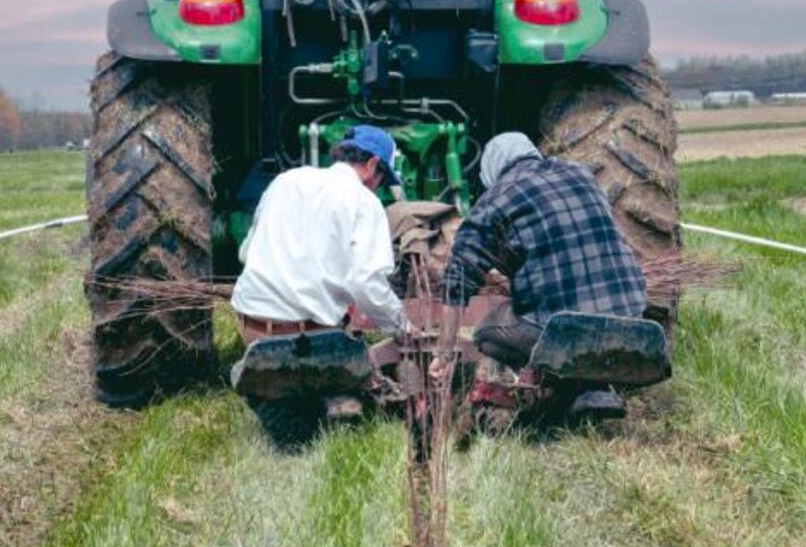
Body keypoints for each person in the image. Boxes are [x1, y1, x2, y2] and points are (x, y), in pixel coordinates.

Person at [429, 132, 648, 415]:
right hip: (631, 321)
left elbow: (457, 283)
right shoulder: (579, 174)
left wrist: (444, 355)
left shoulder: (495, 199)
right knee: (579, 307)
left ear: (492, 170)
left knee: (487, 331)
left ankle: (559, 388)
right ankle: (597, 385)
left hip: (565, 332)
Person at [231, 124, 410, 347]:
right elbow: (366, 283)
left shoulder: (285, 181)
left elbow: (247, 253)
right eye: (382, 180)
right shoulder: (364, 201)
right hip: (310, 341)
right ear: (372, 164)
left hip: (254, 330)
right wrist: (402, 326)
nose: (378, 187)